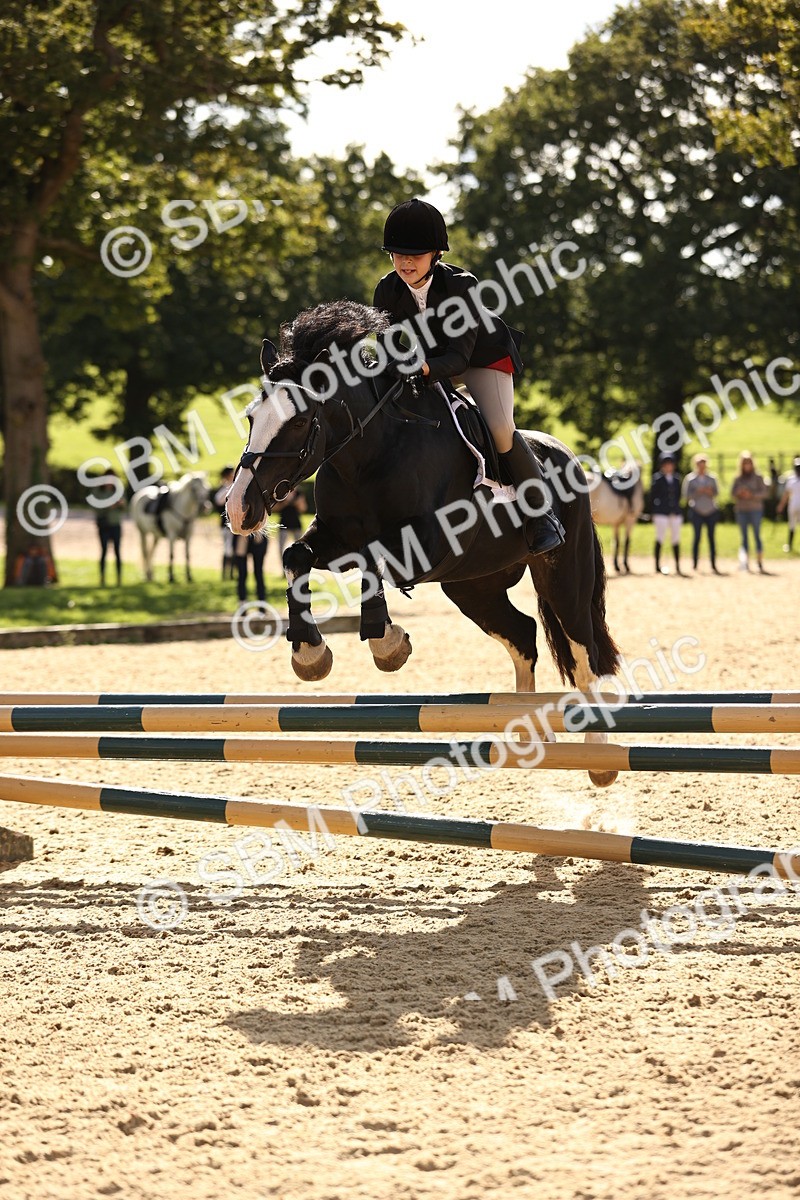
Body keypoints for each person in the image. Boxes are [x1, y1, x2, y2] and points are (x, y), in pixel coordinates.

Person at [372, 197, 564, 555]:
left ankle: (542, 513)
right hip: (430, 363)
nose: (405, 262)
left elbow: (459, 360)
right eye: (397, 253)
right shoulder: (386, 289)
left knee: (501, 430)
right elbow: (387, 347)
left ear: (436, 255)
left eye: (415, 254)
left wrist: (419, 367)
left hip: (481, 360)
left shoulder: (462, 286)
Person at [681, 453, 721, 573]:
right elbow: (686, 496)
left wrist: (709, 492)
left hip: (711, 510)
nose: (701, 466)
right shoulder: (690, 479)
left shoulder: (712, 478)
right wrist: (697, 492)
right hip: (696, 510)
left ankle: (713, 564)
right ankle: (695, 564)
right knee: (697, 538)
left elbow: (717, 493)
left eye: (703, 464)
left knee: (711, 538)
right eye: (699, 464)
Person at [731, 450, 768, 572]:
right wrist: (739, 493)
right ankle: (745, 562)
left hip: (755, 509)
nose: (747, 465)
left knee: (757, 535)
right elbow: (732, 494)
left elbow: (764, 493)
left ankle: (759, 561)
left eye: (749, 463)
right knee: (744, 537)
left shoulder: (758, 477)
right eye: (744, 463)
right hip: (742, 510)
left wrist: (751, 495)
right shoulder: (738, 478)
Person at [650, 453, 684, 575]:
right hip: (661, 512)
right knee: (660, 537)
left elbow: (678, 496)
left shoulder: (676, 479)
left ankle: (677, 565)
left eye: (670, 464)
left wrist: (675, 508)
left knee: (676, 538)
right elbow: (653, 496)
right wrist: (655, 510)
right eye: (666, 464)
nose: (669, 466)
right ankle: (657, 565)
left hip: (674, 512)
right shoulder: (657, 479)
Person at [95, 470, 125, 586]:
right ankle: (102, 578)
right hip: (104, 525)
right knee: (104, 551)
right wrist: (108, 506)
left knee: (117, 551)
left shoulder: (118, 491)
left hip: (115, 524)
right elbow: (96, 507)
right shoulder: (98, 492)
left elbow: (124, 507)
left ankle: (119, 579)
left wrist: (121, 504)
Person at [214, 466, 236, 579]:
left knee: (234, 549)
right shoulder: (224, 488)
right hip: (226, 524)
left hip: (236, 523)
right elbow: (218, 500)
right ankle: (225, 574)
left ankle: (232, 573)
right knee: (227, 548)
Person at [274, 488, 307, 563]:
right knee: (281, 547)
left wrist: (296, 502)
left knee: (299, 548)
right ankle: (284, 567)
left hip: (296, 524)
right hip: (283, 524)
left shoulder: (299, 493)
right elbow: (274, 508)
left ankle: (298, 565)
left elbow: (304, 509)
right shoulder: (282, 493)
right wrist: (285, 502)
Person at [776, 456, 800, 553]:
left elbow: (786, 495)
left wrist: (780, 506)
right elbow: (786, 495)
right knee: (792, 525)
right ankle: (789, 545)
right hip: (793, 505)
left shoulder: (791, 479)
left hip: (793, 504)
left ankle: (789, 545)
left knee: (792, 525)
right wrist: (781, 506)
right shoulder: (791, 479)